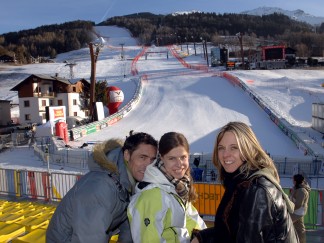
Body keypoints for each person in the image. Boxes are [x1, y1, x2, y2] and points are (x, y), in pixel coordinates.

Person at [191, 121, 299, 243]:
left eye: (234, 147)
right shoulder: (239, 182)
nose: (225, 154)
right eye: (221, 148)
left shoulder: (256, 189)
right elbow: (231, 230)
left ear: (248, 148)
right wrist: (202, 238)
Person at [46, 132, 158, 243]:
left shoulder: (129, 181)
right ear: (127, 155)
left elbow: (128, 222)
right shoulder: (100, 187)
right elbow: (89, 237)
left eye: (152, 160)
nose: (148, 165)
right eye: (142, 157)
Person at [128, 132, 207, 242]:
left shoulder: (178, 187)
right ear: (161, 158)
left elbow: (192, 222)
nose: (179, 164)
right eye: (172, 158)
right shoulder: (152, 196)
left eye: (183, 157)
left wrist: (205, 237)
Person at [289, 174, 311, 243]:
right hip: (297, 211)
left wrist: (289, 208)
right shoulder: (297, 188)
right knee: (299, 227)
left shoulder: (302, 190)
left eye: (293, 179)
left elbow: (298, 204)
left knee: (286, 223)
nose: (292, 181)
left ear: (296, 181)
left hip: (297, 212)